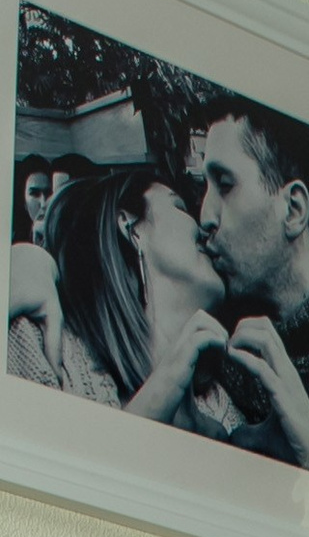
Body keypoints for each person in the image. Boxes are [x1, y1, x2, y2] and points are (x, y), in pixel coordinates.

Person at [9, 164, 246, 435]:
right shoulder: (41, 344)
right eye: (180, 207)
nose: (202, 225)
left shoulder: (224, 408)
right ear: (131, 228)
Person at [192, 101, 309, 470]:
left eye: (225, 185)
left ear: (293, 210)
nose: (205, 217)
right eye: (205, 187)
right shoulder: (209, 345)